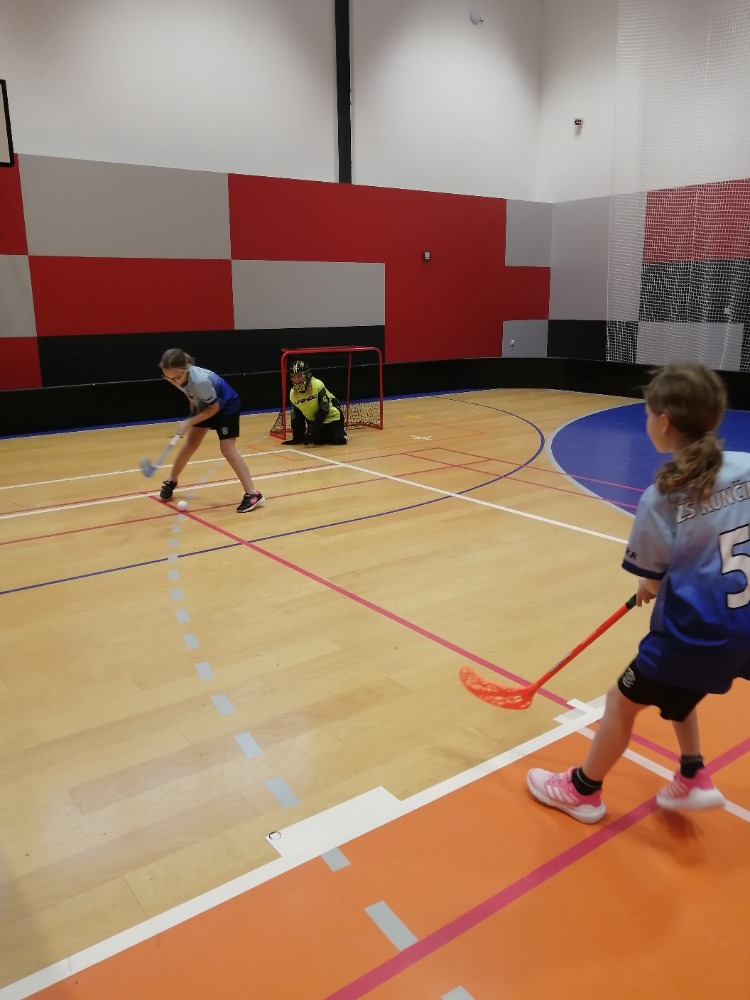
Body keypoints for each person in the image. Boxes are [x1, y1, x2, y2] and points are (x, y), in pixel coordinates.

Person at [527, 362, 750, 823]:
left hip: (693, 634)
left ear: (663, 422)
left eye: (648, 412)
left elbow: (653, 578)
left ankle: (583, 790)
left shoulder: (661, 497)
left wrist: (649, 584)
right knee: (680, 689)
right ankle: (692, 773)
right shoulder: (746, 467)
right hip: (743, 625)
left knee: (620, 702)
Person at [157, 348, 264, 513]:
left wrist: (189, 422)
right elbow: (186, 389)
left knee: (227, 449)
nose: (174, 381)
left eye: (176, 378)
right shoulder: (176, 376)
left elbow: (215, 407)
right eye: (168, 378)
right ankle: (172, 480)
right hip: (205, 404)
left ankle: (253, 494)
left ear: (186, 369)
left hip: (226, 405)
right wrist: (193, 405)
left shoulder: (200, 381)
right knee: (190, 444)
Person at [281, 360, 348, 446]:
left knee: (338, 440)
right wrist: (297, 438)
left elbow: (324, 409)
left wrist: (312, 429)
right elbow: (297, 417)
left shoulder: (317, 385)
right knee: (317, 441)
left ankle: (341, 433)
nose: (297, 380)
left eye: (300, 376)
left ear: (307, 375)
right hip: (316, 421)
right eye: (294, 377)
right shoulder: (293, 394)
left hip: (333, 417)